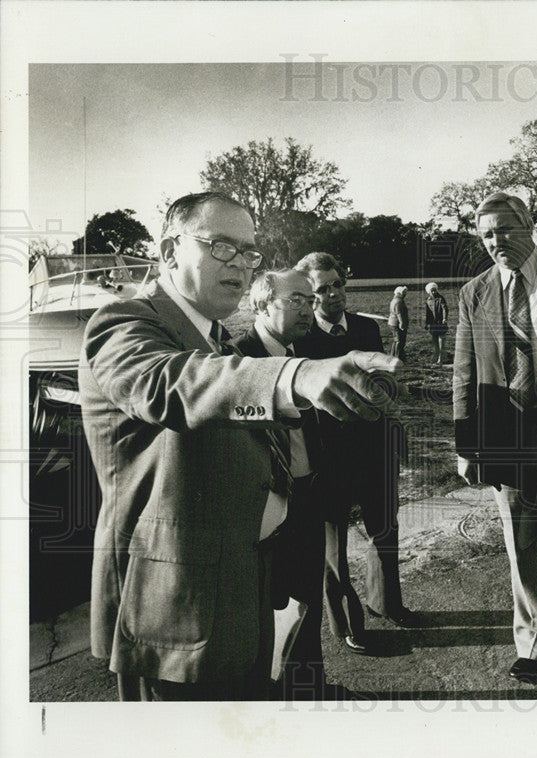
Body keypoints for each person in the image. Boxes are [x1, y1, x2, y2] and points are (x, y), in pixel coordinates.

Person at [80, 192, 399, 701]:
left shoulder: (216, 339)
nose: (242, 265)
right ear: (169, 252)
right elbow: (173, 384)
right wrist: (297, 374)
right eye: (221, 247)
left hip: (240, 589)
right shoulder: (124, 321)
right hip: (174, 609)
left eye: (249, 253)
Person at [453, 191, 537, 684]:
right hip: (511, 433)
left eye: (505, 229)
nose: (496, 241)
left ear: (530, 226)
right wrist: (466, 443)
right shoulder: (474, 293)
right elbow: (463, 371)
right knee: (523, 544)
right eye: (486, 234)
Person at [294, 252, 413, 643]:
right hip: (329, 459)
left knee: (385, 529)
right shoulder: (300, 339)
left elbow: (381, 387)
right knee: (334, 547)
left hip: (374, 449)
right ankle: (347, 623)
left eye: (338, 284)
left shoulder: (366, 328)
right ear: (309, 296)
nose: (334, 295)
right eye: (322, 289)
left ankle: (387, 603)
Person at [233, 268, 336, 700]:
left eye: (311, 300)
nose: (309, 309)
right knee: (262, 607)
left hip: (308, 493)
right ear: (261, 303)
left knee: (308, 597)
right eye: (296, 299)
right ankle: (267, 699)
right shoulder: (237, 357)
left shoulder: (307, 352)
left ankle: (309, 689)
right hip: (261, 505)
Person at [423, 282, 449, 364]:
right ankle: (436, 355)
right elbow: (427, 313)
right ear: (429, 292)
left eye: (435, 290)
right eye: (432, 291)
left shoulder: (441, 299)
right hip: (433, 323)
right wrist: (426, 323)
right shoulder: (428, 300)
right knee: (434, 340)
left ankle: (441, 358)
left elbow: (445, 309)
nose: (434, 292)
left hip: (440, 322)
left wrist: (445, 318)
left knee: (441, 340)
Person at [387, 286, 409, 361]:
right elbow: (399, 313)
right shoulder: (399, 301)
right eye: (403, 293)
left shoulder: (394, 300)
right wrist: (402, 323)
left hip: (392, 323)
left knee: (396, 340)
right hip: (397, 323)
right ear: (399, 293)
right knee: (399, 341)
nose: (405, 294)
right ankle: (397, 358)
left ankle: (393, 356)